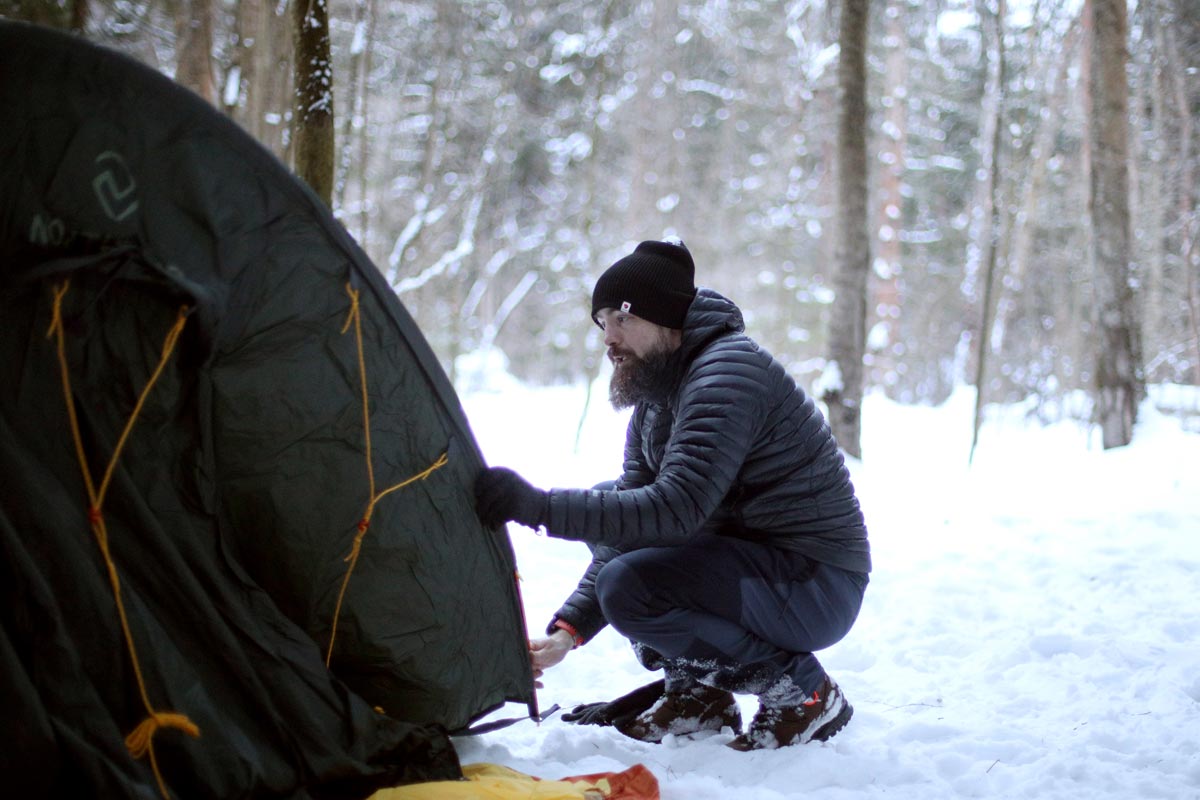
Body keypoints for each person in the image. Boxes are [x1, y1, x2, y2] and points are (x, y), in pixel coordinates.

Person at [474, 239, 871, 750]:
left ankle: (804, 696)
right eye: (601, 324)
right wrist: (567, 633)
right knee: (612, 518)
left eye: (621, 319)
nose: (608, 338)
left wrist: (537, 507)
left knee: (630, 582)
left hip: (815, 581)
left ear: (665, 319)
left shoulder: (728, 373)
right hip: (760, 570)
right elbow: (631, 526)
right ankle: (699, 698)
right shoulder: (659, 397)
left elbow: (675, 511)